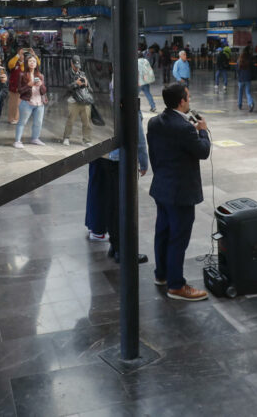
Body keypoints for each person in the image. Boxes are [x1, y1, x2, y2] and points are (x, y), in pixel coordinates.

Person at [146, 83, 211, 301]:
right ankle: (176, 285)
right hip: (181, 191)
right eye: (188, 97)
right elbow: (203, 151)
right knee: (178, 238)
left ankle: (161, 274)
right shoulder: (185, 128)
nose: (189, 100)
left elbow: (154, 154)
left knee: (163, 233)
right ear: (182, 101)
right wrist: (202, 131)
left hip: (162, 186)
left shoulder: (155, 122)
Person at [85, 107, 149, 259]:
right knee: (123, 206)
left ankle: (115, 246)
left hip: (103, 154)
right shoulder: (127, 100)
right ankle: (122, 251)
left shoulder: (105, 99)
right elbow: (139, 137)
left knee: (112, 204)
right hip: (119, 159)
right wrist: (143, 161)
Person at [14, 54, 47, 148]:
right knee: (22, 122)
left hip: (39, 103)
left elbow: (44, 91)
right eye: (30, 61)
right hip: (27, 102)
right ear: (26, 63)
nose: (32, 63)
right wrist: (29, 85)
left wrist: (41, 85)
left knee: (38, 122)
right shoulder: (22, 75)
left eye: (34, 61)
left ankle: (35, 138)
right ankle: (17, 141)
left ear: (36, 64)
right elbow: (20, 91)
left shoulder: (40, 75)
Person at [63, 55, 93, 146]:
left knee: (87, 122)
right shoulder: (67, 73)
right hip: (73, 101)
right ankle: (66, 138)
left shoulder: (82, 74)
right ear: (71, 63)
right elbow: (67, 87)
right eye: (75, 66)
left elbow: (91, 90)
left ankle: (87, 140)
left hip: (84, 101)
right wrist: (76, 83)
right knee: (70, 120)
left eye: (78, 66)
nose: (77, 68)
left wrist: (87, 84)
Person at [236, 46, 254, 112]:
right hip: (248, 78)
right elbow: (252, 69)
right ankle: (250, 103)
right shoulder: (250, 60)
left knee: (240, 92)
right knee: (248, 92)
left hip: (241, 79)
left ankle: (239, 104)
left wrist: (239, 75)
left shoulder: (239, 60)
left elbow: (237, 69)